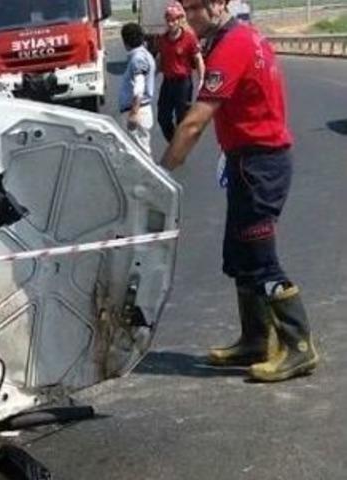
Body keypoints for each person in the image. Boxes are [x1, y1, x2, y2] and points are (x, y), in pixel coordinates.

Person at [161, 0, 318, 382]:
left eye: (194, 8)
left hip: (260, 163)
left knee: (260, 258)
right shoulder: (234, 38)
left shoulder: (233, 44)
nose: (187, 17)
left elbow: (195, 122)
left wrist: (158, 174)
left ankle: (299, 346)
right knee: (238, 254)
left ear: (217, 5)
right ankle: (254, 339)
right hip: (246, 160)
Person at [156, 1, 205, 142]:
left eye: (173, 20)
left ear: (179, 20)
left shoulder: (189, 38)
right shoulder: (163, 39)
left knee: (182, 117)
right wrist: (151, 74)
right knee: (163, 117)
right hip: (168, 82)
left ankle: (180, 144)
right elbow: (160, 59)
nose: (171, 24)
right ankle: (173, 142)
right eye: (168, 20)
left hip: (183, 83)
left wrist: (201, 79)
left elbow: (198, 59)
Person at [119, 23, 157, 156]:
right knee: (139, 153)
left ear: (125, 41)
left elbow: (139, 86)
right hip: (140, 110)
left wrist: (134, 113)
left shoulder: (138, 59)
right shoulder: (144, 55)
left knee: (140, 156)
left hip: (137, 111)